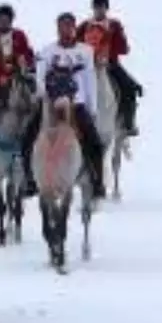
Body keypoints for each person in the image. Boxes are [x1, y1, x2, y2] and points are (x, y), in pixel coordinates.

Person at [19, 13, 107, 198]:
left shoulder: (85, 51)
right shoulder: (47, 51)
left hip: (77, 103)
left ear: (74, 28)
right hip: (51, 104)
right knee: (28, 137)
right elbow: (40, 77)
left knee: (95, 142)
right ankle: (30, 180)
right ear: (57, 28)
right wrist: (42, 95)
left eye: (69, 26)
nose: (65, 30)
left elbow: (89, 79)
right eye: (61, 26)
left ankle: (97, 182)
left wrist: (92, 107)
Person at [78, 0, 143, 136]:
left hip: (110, 64)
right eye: (96, 6)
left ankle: (128, 123)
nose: (99, 9)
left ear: (106, 8)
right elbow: (75, 44)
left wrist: (111, 51)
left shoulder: (114, 25)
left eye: (102, 7)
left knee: (129, 88)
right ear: (92, 8)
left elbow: (123, 48)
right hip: (87, 66)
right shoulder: (84, 26)